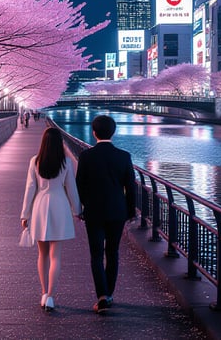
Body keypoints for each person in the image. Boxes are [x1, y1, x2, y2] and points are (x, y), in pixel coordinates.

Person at [76, 114, 137, 315]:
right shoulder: (124, 156)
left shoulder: (86, 156)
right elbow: (131, 187)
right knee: (113, 252)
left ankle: (101, 296)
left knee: (96, 254)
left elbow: (80, 185)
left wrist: (85, 205)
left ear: (94, 133)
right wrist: (130, 211)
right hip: (117, 211)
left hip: (93, 211)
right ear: (114, 132)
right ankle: (109, 294)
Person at [20, 127, 81, 312]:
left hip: (39, 205)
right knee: (56, 256)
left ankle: (44, 292)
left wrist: (25, 214)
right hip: (59, 206)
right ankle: (52, 297)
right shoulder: (66, 163)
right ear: (59, 143)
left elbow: (30, 189)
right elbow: (72, 189)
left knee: (42, 255)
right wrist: (77, 210)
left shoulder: (35, 161)